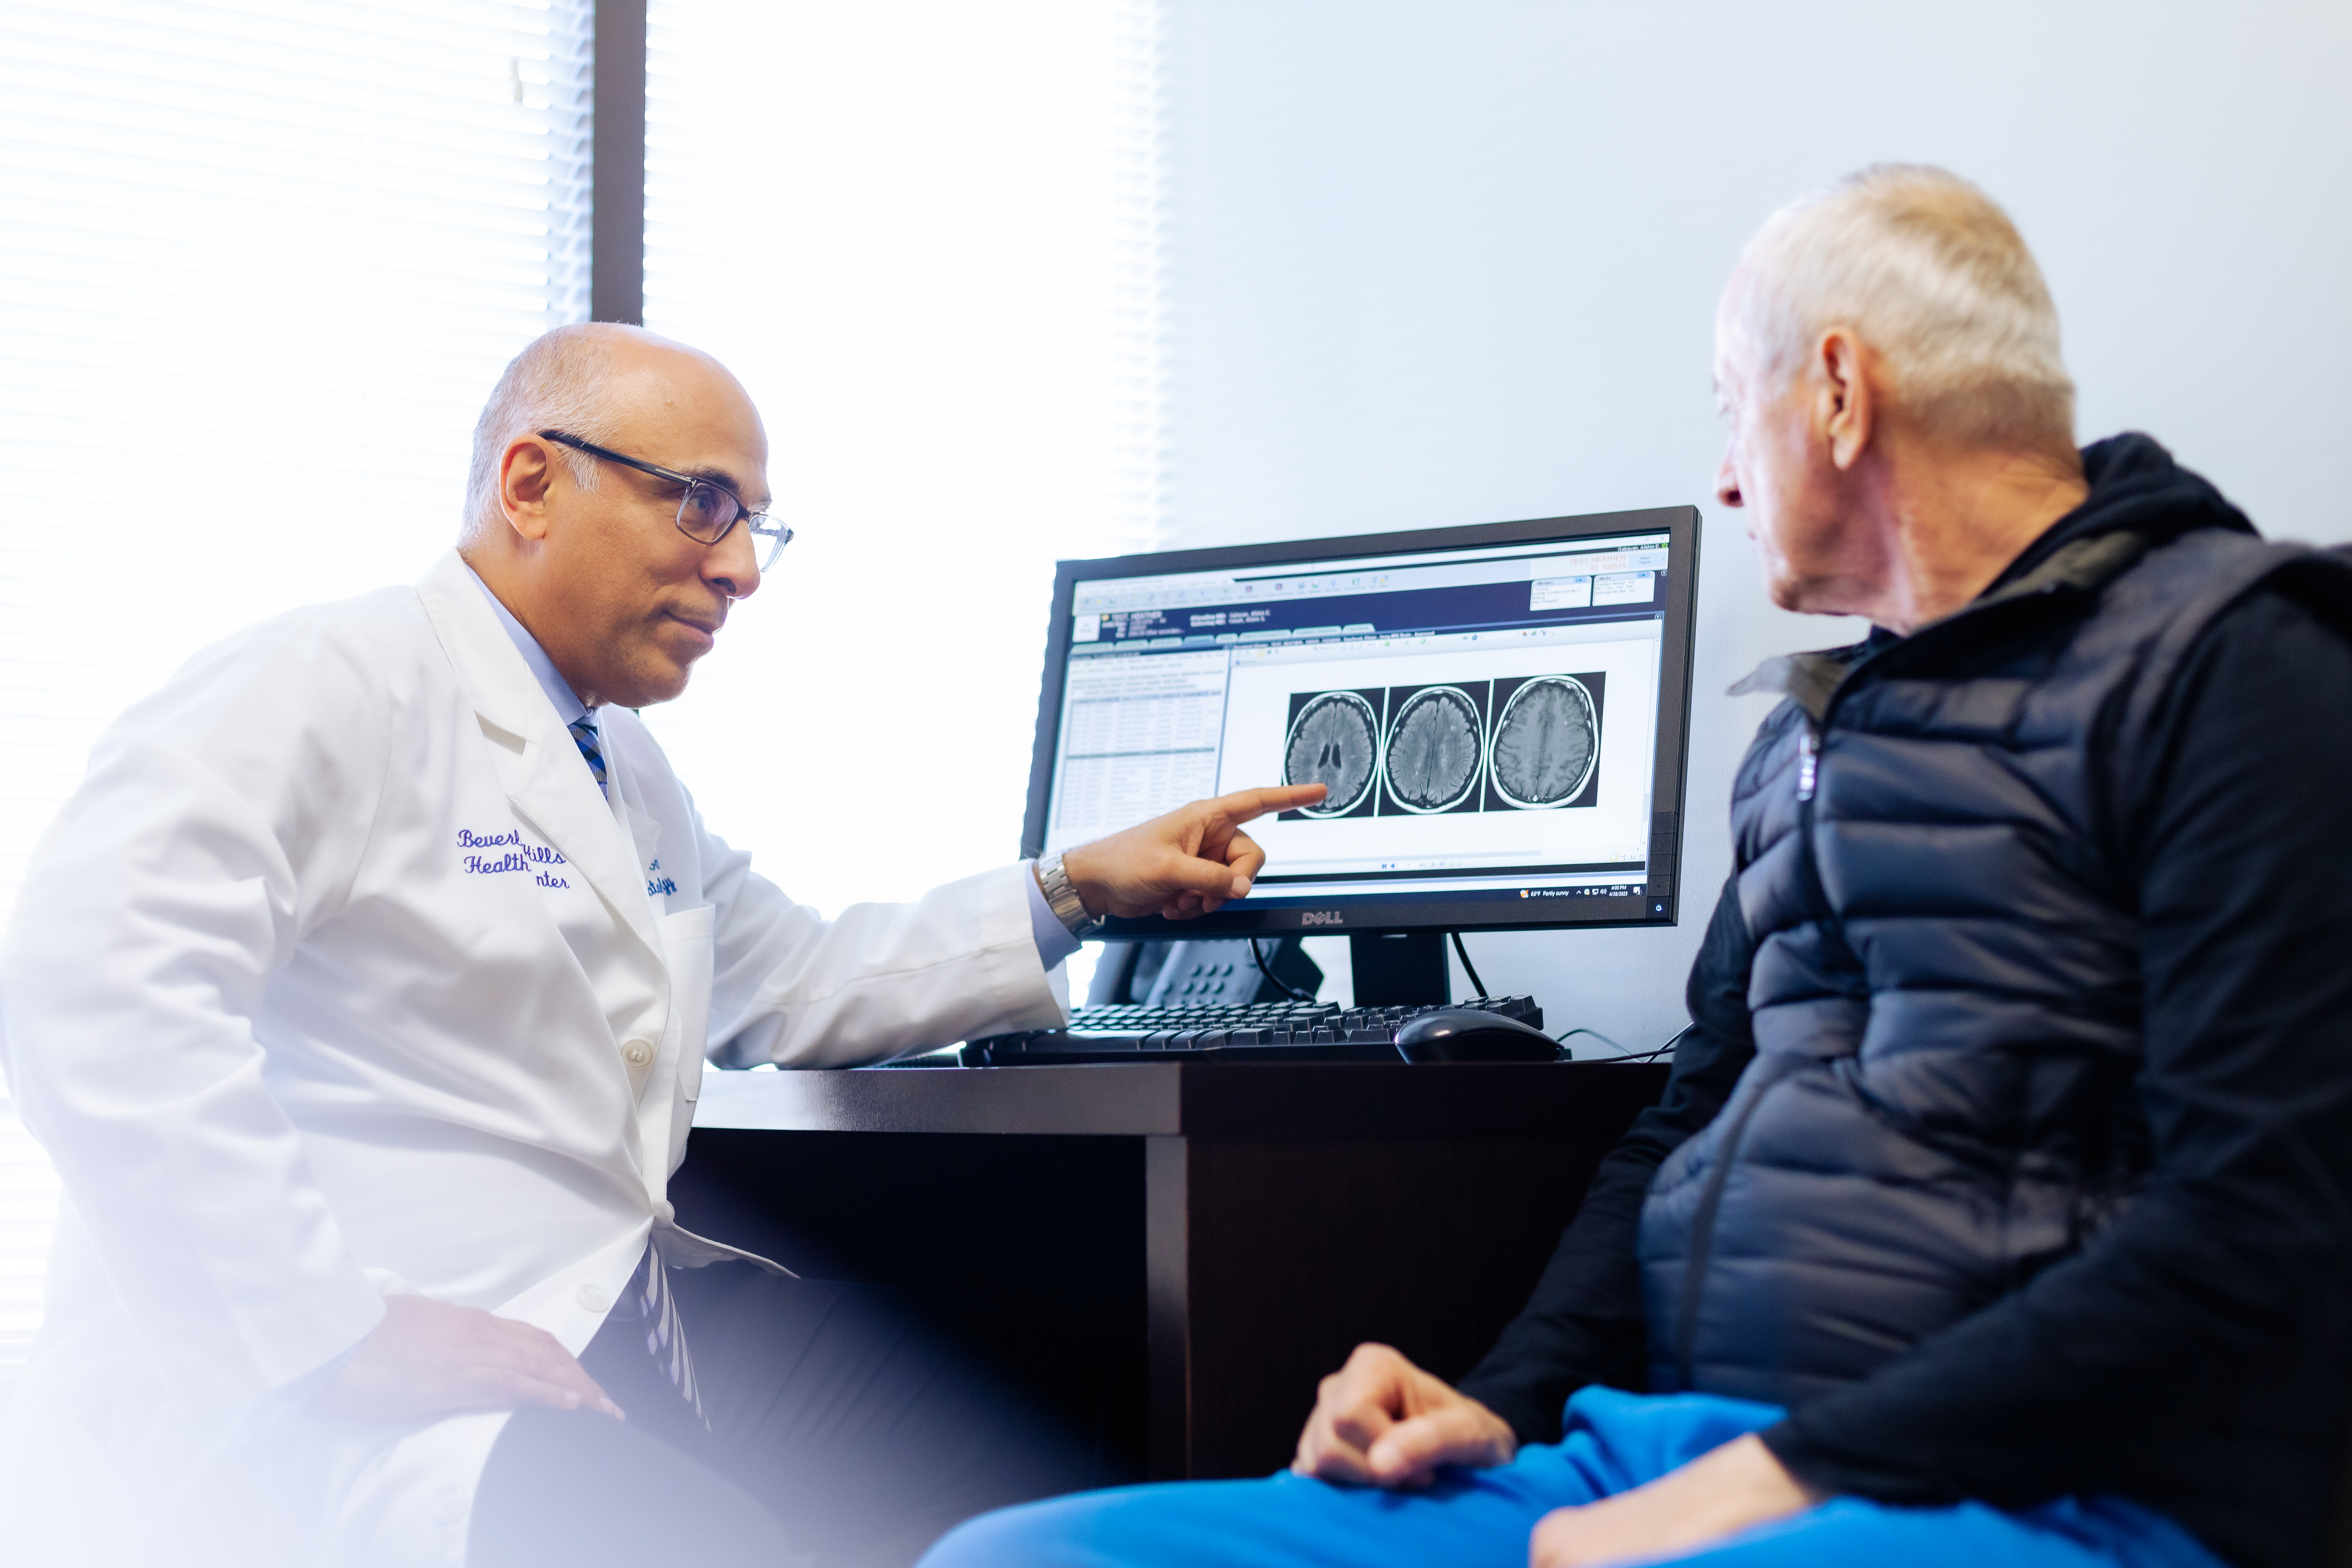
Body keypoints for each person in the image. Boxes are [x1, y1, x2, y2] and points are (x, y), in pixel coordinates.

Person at [919, 165, 2352, 1568]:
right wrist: (1502, 1398)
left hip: (2058, 1488)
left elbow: (2259, 1227)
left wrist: (1772, 1478)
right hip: (1682, 1449)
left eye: (1738, 410)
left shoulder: (2242, 665)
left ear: (1841, 393)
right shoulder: (1819, 729)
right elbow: (1686, 1123)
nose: (1726, 476)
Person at [0, 322, 1324, 1568]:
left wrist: (1076, 887)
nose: (742, 567)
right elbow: (88, 977)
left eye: (756, 524)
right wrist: (328, 1334)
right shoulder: (331, 682)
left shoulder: (614, 758)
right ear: (530, 485)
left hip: (585, 1310)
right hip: (343, 1375)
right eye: (702, 502)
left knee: (1023, 1452)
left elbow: (793, 976)